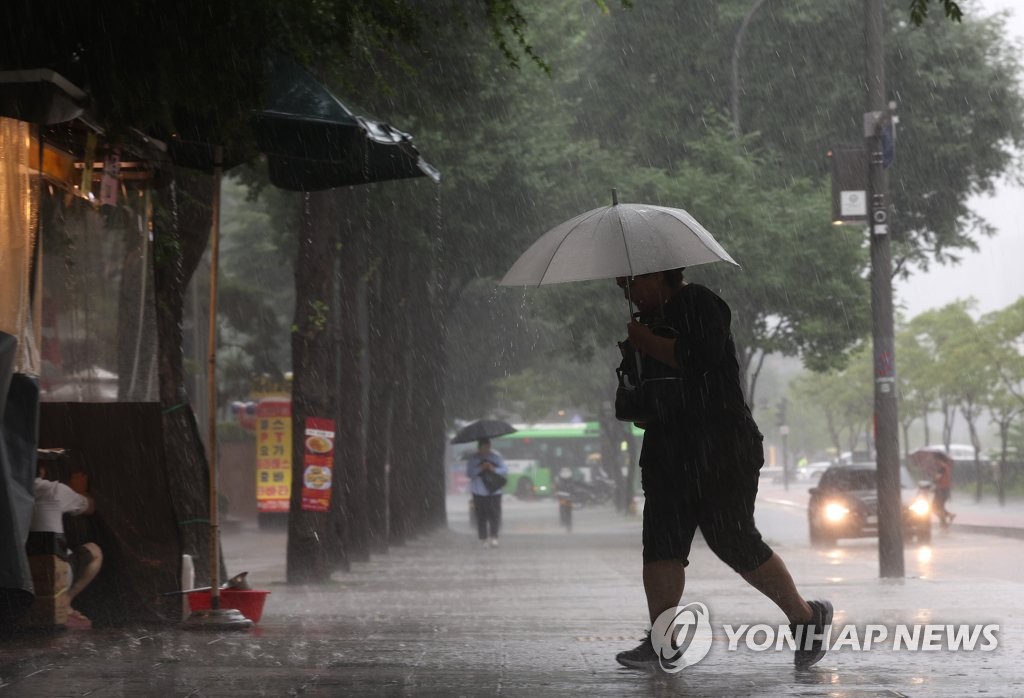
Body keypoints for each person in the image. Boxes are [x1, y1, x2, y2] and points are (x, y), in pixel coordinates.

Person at [613, 268, 832, 671]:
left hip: (722, 447)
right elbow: (641, 400)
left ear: (659, 274)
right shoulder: (646, 323)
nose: (627, 292)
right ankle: (662, 641)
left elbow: (700, 358)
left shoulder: (699, 302)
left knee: (731, 538)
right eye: (622, 286)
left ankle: (805, 618)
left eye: (632, 283)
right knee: (661, 544)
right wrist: (634, 358)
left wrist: (648, 343)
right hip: (667, 450)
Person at [27, 463, 103, 624]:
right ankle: (66, 600)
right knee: (95, 551)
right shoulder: (54, 490)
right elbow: (90, 507)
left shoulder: (9, 492)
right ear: (42, 470)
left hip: (17, 581)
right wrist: (78, 491)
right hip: (52, 577)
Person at [466, 438, 508, 547]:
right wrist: (480, 468)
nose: (486, 450)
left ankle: (494, 537)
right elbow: (469, 473)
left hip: (494, 491)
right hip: (478, 491)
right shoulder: (473, 459)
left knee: (495, 514)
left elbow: (505, 470)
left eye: (488, 447)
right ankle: (483, 538)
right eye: (484, 448)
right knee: (481, 516)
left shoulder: (496, 457)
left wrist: (493, 468)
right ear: (479, 447)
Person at [929, 452, 956, 527]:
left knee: (934, 507)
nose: (934, 461)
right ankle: (944, 522)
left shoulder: (941, 467)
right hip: (945, 489)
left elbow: (937, 478)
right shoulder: (946, 467)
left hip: (941, 490)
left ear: (938, 459)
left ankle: (947, 518)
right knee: (940, 507)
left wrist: (933, 478)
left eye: (935, 459)